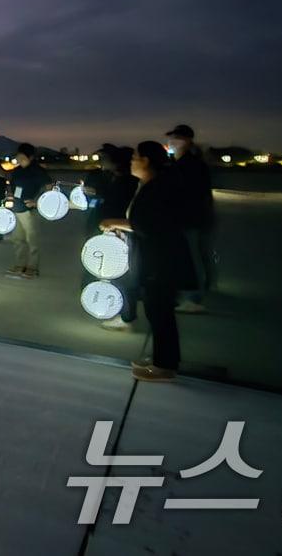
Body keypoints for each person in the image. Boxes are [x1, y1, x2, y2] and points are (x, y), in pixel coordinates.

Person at [100, 141, 196, 382]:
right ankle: (160, 359)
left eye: (135, 157)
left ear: (146, 161)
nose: (131, 162)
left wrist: (116, 222)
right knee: (156, 310)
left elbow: (150, 225)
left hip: (161, 260)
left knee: (160, 310)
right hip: (154, 257)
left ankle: (165, 366)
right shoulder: (151, 185)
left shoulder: (158, 188)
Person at [83, 146, 140, 330]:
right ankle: (122, 313)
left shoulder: (128, 182)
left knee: (120, 274)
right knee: (113, 274)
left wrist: (117, 225)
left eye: (104, 158)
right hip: (108, 228)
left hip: (118, 232)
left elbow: (122, 207)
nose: (101, 162)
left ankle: (126, 317)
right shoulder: (109, 178)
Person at [166, 124, 215, 313]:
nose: (172, 141)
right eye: (171, 138)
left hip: (191, 218)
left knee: (193, 257)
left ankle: (194, 298)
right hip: (184, 218)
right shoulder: (179, 162)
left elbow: (193, 193)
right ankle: (189, 292)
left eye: (176, 138)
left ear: (187, 140)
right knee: (188, 256)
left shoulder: (192, 164)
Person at [6, 143, 52, 279]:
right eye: (18, 157)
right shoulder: (17, 170)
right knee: (17, 239)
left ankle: (32, 268)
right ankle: (20, 265)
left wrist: (38, 202)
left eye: (22, 157)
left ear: (30, 157)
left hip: (30, 211)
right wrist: (10, 196)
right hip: (17, 208)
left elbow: (49, 188)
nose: (19, 160)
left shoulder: (38, 171)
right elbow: (12, 186)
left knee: (32, 240)